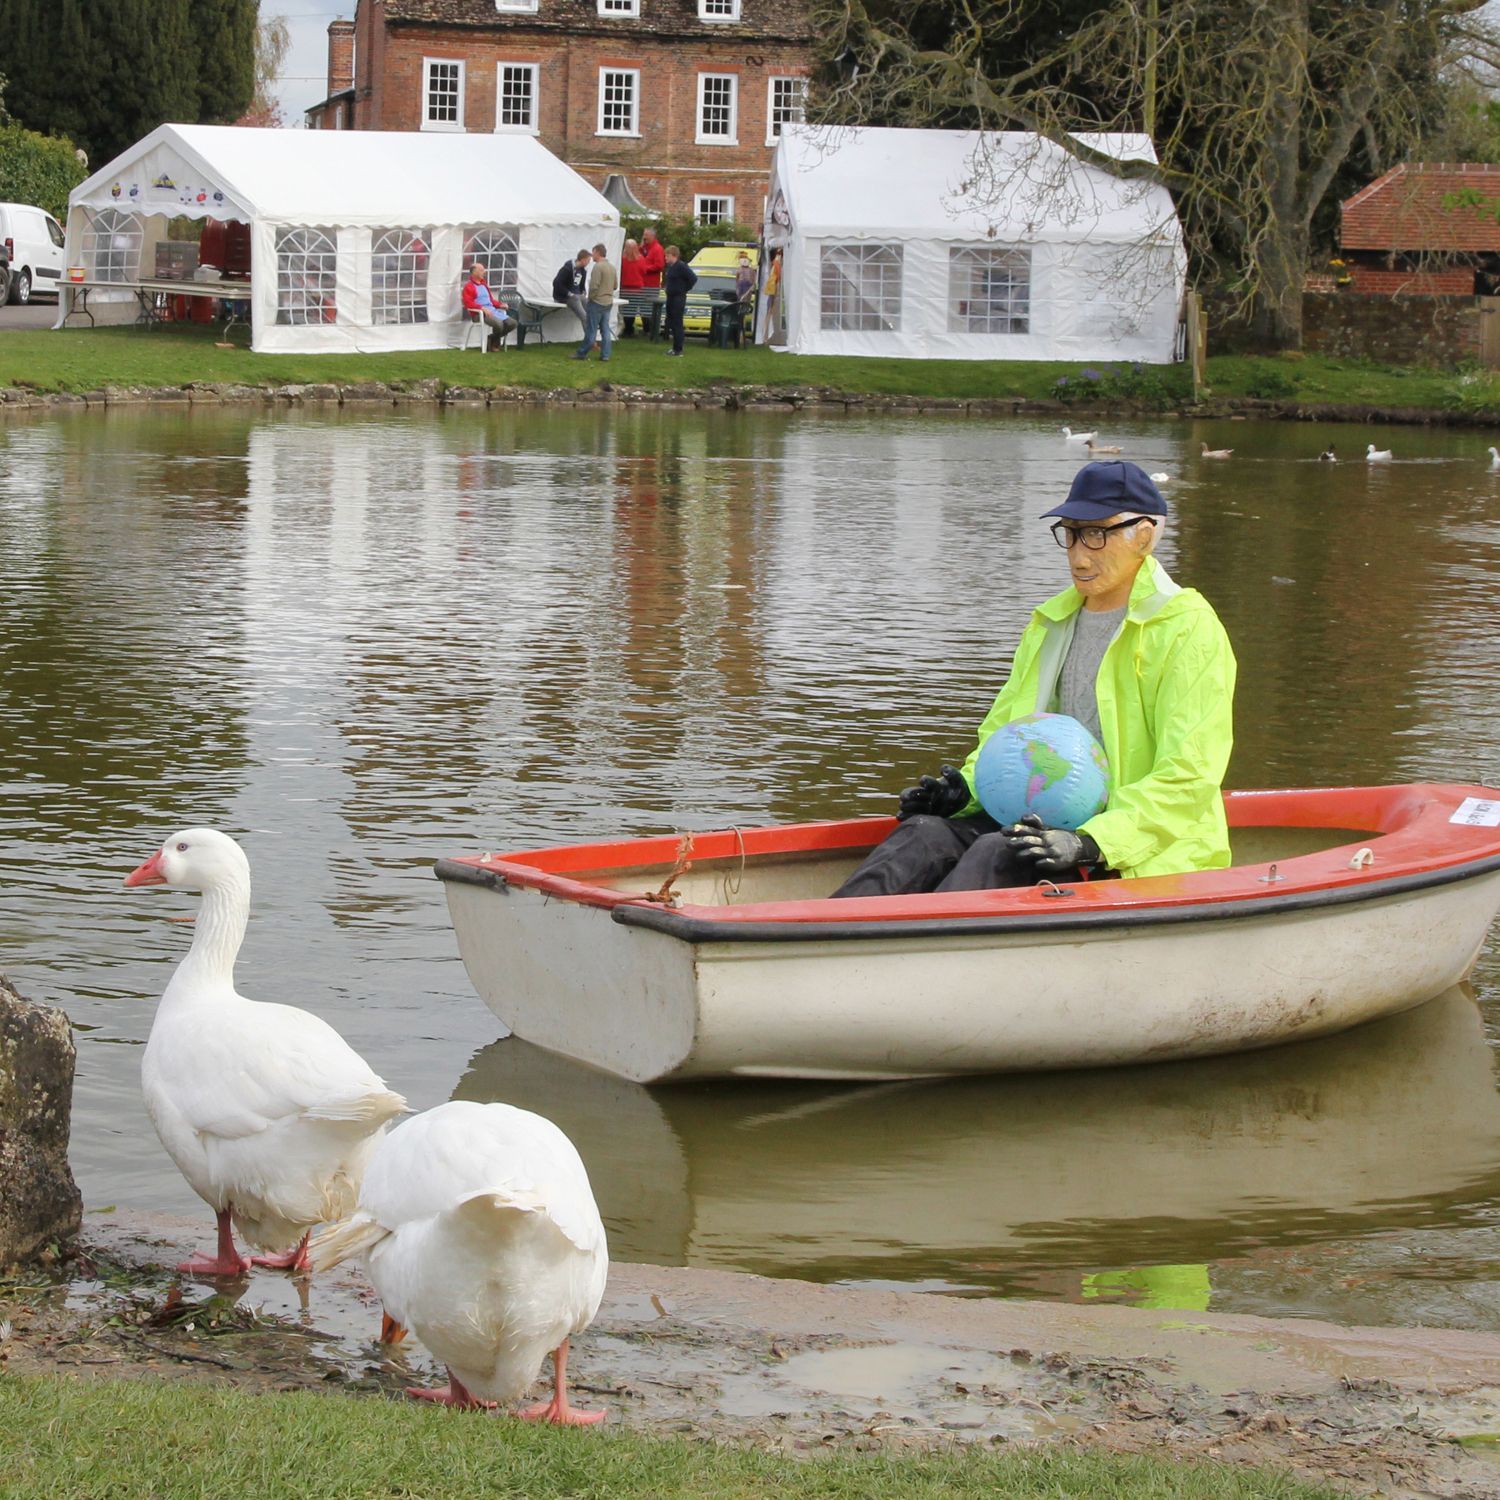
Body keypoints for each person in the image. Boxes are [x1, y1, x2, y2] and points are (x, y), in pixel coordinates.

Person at [831, 461, 1236, 897]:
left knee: (998, 851)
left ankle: (921, 957)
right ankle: (822, 940)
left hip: (1137, 852)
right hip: (1044, 822)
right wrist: (963, 792)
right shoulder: (1051, 622)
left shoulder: (1187, 628)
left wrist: (1092, 843)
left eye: (1097, 534)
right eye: (1071, 533)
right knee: (924, 833)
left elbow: (1190, 774)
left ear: (1143, 535)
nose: (1079, 554)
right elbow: (1007, 736)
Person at [573, 243, 618, 362]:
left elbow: (594, 287)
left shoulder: (598, 267)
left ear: (598, 252)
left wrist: (590, 299)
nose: (592, 255)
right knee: (605, 329)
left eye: (593, 252)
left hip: (597, 302)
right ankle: (605, 355)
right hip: (608, 302)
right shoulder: (612, 267)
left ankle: (581, 353)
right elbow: (615, 286)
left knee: (591, 330)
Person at [460, 262, 515, 348]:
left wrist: (500, 304)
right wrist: (481, 308)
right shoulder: (468, 287)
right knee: (499, 324)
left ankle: (492, 339)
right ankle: (494, 344)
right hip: (479, 314)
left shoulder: (484, 284)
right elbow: (468, 303)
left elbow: (490, 300)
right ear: (474, 272)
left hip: (492, 311)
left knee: (512, 323)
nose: (484, 272)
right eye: (481, 270)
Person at [661, 244, 697, 357]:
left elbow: (693, 278)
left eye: (667, 256)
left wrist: (683, 289)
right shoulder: (671, 268)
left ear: (673, 255)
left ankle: (678, 349)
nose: (665, 258)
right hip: (670, 297)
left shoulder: (681, 266)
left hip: (678, 298)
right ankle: (674, 347)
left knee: (677, 323)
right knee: (671, 321)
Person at [552, 248, 590, 329]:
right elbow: (556, 283)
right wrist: (569, 293)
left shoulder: (583, 270)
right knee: (585, 317)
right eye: (588, 260)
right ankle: (590, 341)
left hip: (577, 296)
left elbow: (581, 285)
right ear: (583, 260)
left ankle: (591, 338)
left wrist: (583, 291)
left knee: (590, 312)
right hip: (566, 297)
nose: (589, 262)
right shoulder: (568, 268)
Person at [619, 238, 647, 336]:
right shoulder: (641, 259)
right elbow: (644, 271)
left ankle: (628, 330)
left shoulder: (622, 260)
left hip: (626, 288)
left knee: (627, 311)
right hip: (637, 290)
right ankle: (630, 330)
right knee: (632, 311)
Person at [759, 248, 782, 344]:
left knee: (769, 312)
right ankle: (765, 336)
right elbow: (776, 278)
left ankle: (765, 336)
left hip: (771, 291)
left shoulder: (774, 266)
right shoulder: (775, 265)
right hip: (771, 292)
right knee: (768, 312)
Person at [639, 227, 665, 291]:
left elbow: (659, 266)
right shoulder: (643, 248)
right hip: (642, 284)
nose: (644, 237)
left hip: (651, 286)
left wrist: (645, 268)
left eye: (646, 235)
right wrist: (640, 247)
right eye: (643, 235)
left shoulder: (657, 249)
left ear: (652, 236)